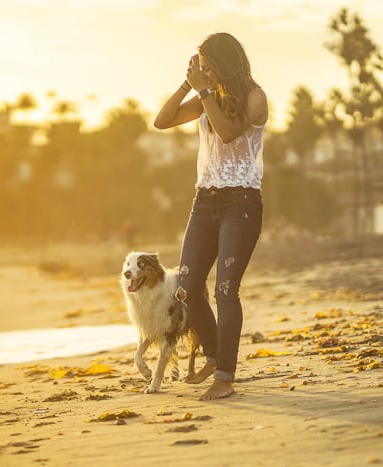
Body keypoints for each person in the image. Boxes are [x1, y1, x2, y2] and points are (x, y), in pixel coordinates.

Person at [153, 32, 268, 401]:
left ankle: (225, 376)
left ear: (222, 62)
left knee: (225, 290)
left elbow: (230, 132)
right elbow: (161, 120)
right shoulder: (206, 99)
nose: (202, 70)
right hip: (204, 202)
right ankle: (215, 353)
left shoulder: (254, 97)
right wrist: (188, 84)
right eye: (198, 65)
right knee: (186, 287)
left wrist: (203, 92)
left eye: (205, 64)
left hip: (242, 203)